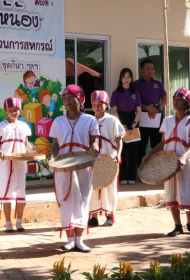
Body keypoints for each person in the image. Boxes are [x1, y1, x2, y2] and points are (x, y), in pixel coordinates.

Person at [142, 87, 190, 237]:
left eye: (179, 99)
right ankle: (177, 226)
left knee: (187, 190)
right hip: (168, 162)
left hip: (187, 162)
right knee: (171, 191)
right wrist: (149, 153)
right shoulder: (167, 121)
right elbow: (163, 143)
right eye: (174, 99)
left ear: (187, 103)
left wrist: (183, 158)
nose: (175, 101)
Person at [49, 84, 99, 252]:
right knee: (66, 201)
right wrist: (52, 156)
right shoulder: (58, 121)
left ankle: (80, 239)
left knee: (83, 200)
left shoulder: (90, 120)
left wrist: (95, 150)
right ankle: (70, 239)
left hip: (83, 165)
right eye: (65, 98)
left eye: (71, 98)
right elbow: (55, 145)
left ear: (80, 99)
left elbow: (93, 142)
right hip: (63, 166)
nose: (67, 101)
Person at [0, 97, 37, 233]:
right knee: (7, 192)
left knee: (20, 190)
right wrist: (1, 153)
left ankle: (19, 222)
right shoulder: (1, 126)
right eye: (10, 110)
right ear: (6, 111)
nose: (13, 112)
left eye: (16, 110)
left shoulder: (23, 126)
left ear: (20, 110)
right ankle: (8, 223)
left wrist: (34, 152)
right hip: (4, 163)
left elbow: (25, 144)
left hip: (19, 162)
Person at [88, 90, 125, 227]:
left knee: (110, 188)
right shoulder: (89, 120)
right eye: (95, 104)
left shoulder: (112, 120)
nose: (97, 107)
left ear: (106, 104)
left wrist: (118, 154)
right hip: (93, 160)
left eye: (100, 104)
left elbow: (119, 139)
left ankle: (110, 215)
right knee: (93, 188)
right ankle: (93, 216)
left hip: (110, 158)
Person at [111, 68, 142, 185]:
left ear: (131, 78)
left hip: (133, 121)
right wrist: (120, 125)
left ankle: (132, 177)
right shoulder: (116, 93)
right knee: (122, 151)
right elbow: (114, 110)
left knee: (133, 151)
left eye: (128, 77)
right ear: (120, 78)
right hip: (120, 121)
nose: (126, 79)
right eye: (124, 77)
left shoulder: (136, 93)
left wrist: (134, 124)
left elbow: (138, 111)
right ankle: (123, 176)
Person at [134, 59, 167, 167]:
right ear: (141, 70)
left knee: (157, 145)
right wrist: (147, 108)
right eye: (147, 68)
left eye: (152, 69)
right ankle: (140, 170)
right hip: (142, 118)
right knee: (140, 145)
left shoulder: (158, 84)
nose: (150, 71)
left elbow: (165, 100)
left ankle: (156, 170)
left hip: (156, 119)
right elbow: (134, 102)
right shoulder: (135, 85)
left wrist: (158, 108)